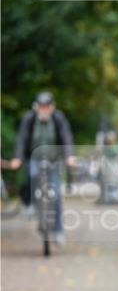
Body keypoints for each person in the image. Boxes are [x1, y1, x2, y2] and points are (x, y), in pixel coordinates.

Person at [11, 91, 76, 245]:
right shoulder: (29, 118)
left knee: (56, 195)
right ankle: (31, 204)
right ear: (36, 107)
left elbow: (66, 136)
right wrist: (18, 158)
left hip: (53, 160)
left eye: (47, 107)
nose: (44, 110)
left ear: (52, 107)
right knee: (30, 176)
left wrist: (69, 156)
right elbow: (22, 138)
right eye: (41, 107)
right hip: (34, 157)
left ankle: (58, 231)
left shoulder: (58, 118)